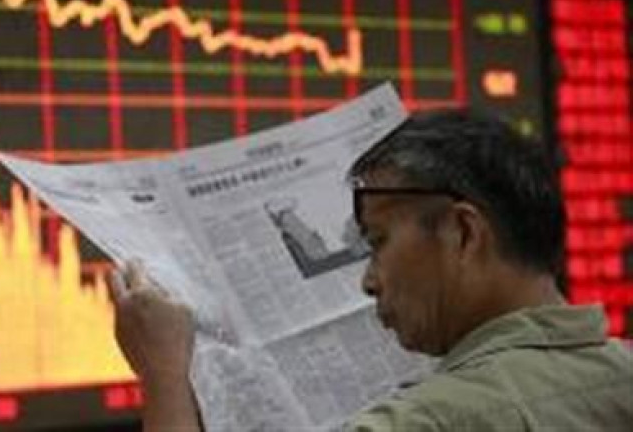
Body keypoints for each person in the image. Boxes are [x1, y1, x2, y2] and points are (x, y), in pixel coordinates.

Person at [106, 109, 633, 431]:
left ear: (463, 233)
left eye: (378, 241)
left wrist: (166, 378)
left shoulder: (429, 422)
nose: (368, 280)